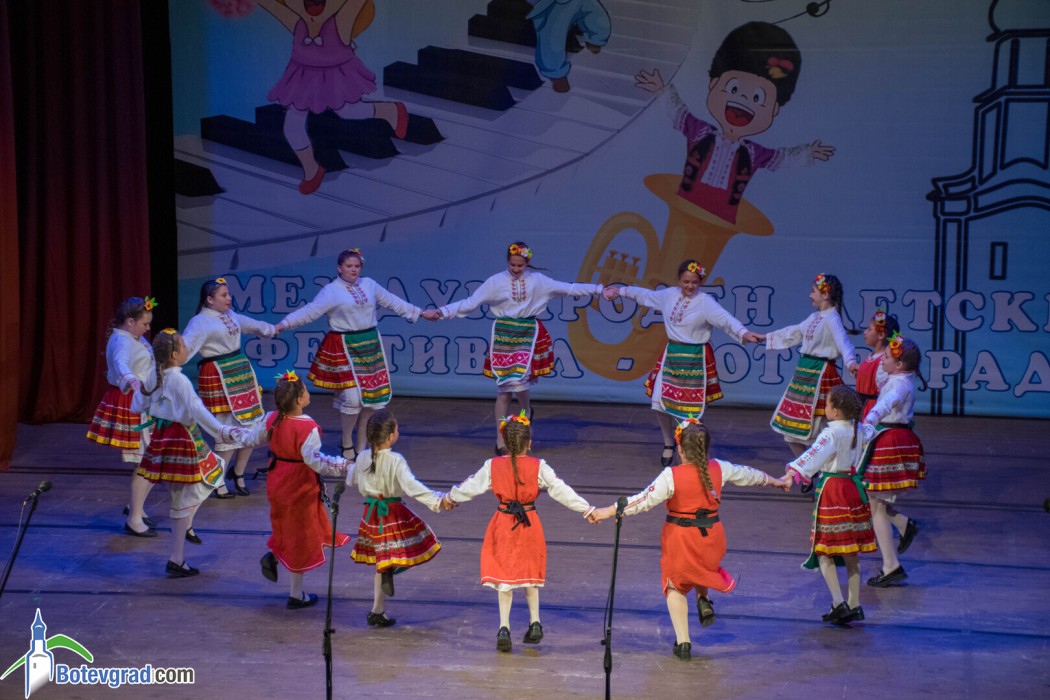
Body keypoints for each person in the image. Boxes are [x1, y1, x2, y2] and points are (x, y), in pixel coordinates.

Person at [589, 419, 788, 660]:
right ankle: (703, 599)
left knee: (676, 584)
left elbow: (643, 500)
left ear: (680, 449)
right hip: (712, 537)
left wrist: (609, 511)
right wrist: (775, 481)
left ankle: (683, 642)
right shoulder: (720, 468)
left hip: (682, 538)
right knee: (702, 567)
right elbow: (749, 474)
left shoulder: (671, 476)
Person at [634, 21, 834, 224]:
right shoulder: (699, 132)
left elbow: (782, 158)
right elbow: (678, 111)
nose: (743, 99)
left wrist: (808, 153)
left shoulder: (754, 153)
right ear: (714, 84)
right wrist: (662, 90)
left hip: (721, 223)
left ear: (774, 109)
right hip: (683, 213)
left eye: (757, 97)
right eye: (734, 89)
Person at [424, 242, 603, 454]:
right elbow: (471, 302)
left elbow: (569, 288)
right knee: (504, 391)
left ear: (527, 263)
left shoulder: (538, 281)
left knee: (520, 385)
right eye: (513, 265)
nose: (516, 269)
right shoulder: (496, 282)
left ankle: (525, 419)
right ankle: (500, 439)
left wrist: (600, 290)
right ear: (507, 262)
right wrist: (442, 312)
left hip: (527, 334)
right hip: (504, 336)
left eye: (520, 265)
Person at [443, 412, 594, 652]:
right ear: (529, 443)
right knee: (529, 573)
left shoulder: (493, 465)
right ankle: (535, 622)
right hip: (529, 523)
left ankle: (504, 627)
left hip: (503, 523)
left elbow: (471, 486)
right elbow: (561, 489)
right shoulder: (538, 466)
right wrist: (586, 509)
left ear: (504, 441)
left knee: (504, 578)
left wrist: (450, 498)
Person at [603, 259, 761, 466]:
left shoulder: (705, 302)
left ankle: (691, 452)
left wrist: (743, 332)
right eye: (686, 281)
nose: (690, 286)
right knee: (659, 404)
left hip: (694, 358)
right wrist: (621, 291)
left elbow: (725, 319)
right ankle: (669, 443)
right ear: (679, 280)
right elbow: (645, 295)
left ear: (700, 282)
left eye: (694, 282)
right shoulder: (669, 295)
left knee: (690, 412)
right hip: (672, 355)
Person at [274, 248, 421, 459]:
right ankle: (346, 441)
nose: (353, 270)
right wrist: (284, 324)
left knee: (370, 401)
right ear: (339, 268)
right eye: (349, 266)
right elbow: (310, 311)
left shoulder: (369, 284)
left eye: (357, 266)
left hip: (369, 344)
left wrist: (419, 312)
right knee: (352, 399)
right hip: (344, 346)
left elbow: (392, 301)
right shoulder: (331, 291)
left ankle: (362, 448)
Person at [255, 0, 409, 194]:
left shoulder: (341, 23)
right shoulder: (297, 23)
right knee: (292, 127)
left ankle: (390, 111)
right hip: (302, 81)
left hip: (335, 78)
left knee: (349, 111)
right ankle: (312, 170)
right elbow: (271, 5)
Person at [132, 329, 247, 577]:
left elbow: (137, 404)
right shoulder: (179, 380)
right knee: (193, 490)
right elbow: (197, 410)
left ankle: (181, 539)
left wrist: (153, 403)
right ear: (174, 355)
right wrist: (222, 430)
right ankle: (179, 548)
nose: (187, 349)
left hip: (164, 438)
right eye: (183, 346)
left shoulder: (155, 374)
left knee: (208, 476)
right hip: (182, 438)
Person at [252, 370, 352, 609]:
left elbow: (253, 438)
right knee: (300, 536)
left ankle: (274, 556)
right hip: (298, 485)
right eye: (305, 390)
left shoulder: (272, 418)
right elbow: (315, 461)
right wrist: (344, 465)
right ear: (298, 399)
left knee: (285, 525)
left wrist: (227, 433)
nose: (308, 393)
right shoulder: (307, 427)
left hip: (277, 480)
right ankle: (296, 595)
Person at [782, 386, 876, 625]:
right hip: (852, 490)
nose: (825, 408)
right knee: (851, 550)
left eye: (827, 404)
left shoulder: (831, 433)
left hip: (833, 490)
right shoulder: (859, 429)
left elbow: (813, 455)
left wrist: (792, 472)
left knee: (824, 549)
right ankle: (854, 604)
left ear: (835, 411)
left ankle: (838, 602)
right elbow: (871, 430)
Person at [346, 410, 445, 627]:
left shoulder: (363, 457)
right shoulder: (395, 460)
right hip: (391, 512)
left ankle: (378, 608)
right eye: (397, 429)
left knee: (383, 559)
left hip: (372, 513)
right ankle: (387, 580)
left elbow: (350, 480)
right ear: (391, 436)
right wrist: (437, 500)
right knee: (416, 545)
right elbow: (412, 487)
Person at [182, 277, 275, 499]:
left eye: (228, 294)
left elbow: (252, 325)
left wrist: (273, 329)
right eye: (223, 295)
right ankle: (218, 480)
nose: (229, 298)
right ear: (209, 299)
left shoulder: (230, 315)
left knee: (251, 425)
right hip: (218, 374)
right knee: (226, 429)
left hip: (240, 372)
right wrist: (166, 368)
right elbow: (185, 348)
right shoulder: (199, 322)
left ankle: (238, 472)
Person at [87, 297, 159, 537]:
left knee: (152, 459)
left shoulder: (133, 337)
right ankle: (134, 518)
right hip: (132, 402)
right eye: (144, 324)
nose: (147, 328)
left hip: (143, 400)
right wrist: (133, 381)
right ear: (130, 321)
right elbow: (121, 363)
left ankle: (135, 507)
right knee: (147, 461)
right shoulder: (122, 341)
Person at [766, 273, 858, 463]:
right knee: (791, 430)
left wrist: (850, 362)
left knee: (823, 425)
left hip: (820, 374)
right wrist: (765, 337)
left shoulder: (832, 318)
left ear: (825, 295)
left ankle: (826, 466)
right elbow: (794, 332)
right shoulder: (815, 317)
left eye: (813, 291)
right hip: (804, 374)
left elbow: (843, 342)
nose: (810, 295)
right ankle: (807, 467)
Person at [860, 333, 926, 587]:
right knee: (873, 501)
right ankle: (903, 525)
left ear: (899, 364)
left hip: (890, 440)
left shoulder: (900, 385)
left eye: (886, 357)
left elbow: (885, 404)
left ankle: (891, 565)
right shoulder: (899, 378)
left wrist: (869, 421)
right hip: (889, 437)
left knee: (875, 506)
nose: (882, 360)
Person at [856, 310, 901, 419]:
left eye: (869, 329)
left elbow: (884, 390)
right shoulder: (873, 356)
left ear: (880, 335)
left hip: (872, 410)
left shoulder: (883, 362)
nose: (865, 332)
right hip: (863, 407)